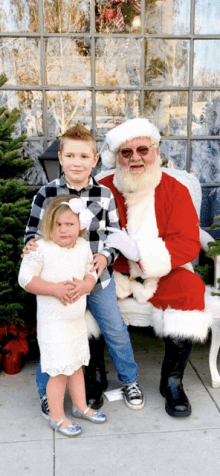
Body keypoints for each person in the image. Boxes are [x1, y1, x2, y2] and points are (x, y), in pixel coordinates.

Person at [90, 117, 212, 418]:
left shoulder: (176, 190)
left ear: (155, 151)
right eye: (126, 152)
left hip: (163, 274)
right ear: (117, 156)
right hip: (111, 272)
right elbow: (86, 237)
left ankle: (171, 381)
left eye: (142, 150)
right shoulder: (101, 188)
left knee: (191, 288)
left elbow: (186, 243)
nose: (135, 158)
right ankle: (93, 375)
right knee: (82, 290)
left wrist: (140, 257)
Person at [22, 122, 145, 419]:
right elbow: (32, 233)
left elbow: (115, 236)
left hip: (97, 279)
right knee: (54, 336)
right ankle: (46, 392)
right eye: (71, 156)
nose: (77, 162)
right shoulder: (47, 193)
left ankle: (130, 381)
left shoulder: (104, 195)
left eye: (83, 157)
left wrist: (105, 257)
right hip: (59, 282)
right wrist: (30, 247)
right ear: (61, 159)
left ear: (95, 160)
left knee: (116, 330)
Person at [18, 195, 107, 437]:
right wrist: (54, 289)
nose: (63, 229)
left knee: (76, 366)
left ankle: (80, 407)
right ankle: (57, 416)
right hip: (53, 324)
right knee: (58, 373)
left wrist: (88, 284)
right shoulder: (40, 249)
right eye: (57, 224)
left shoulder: (81, 247)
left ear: (80, 225)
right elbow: (25, 279)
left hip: (76, 322)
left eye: (69, 224)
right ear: (48, 224)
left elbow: (91, 270)